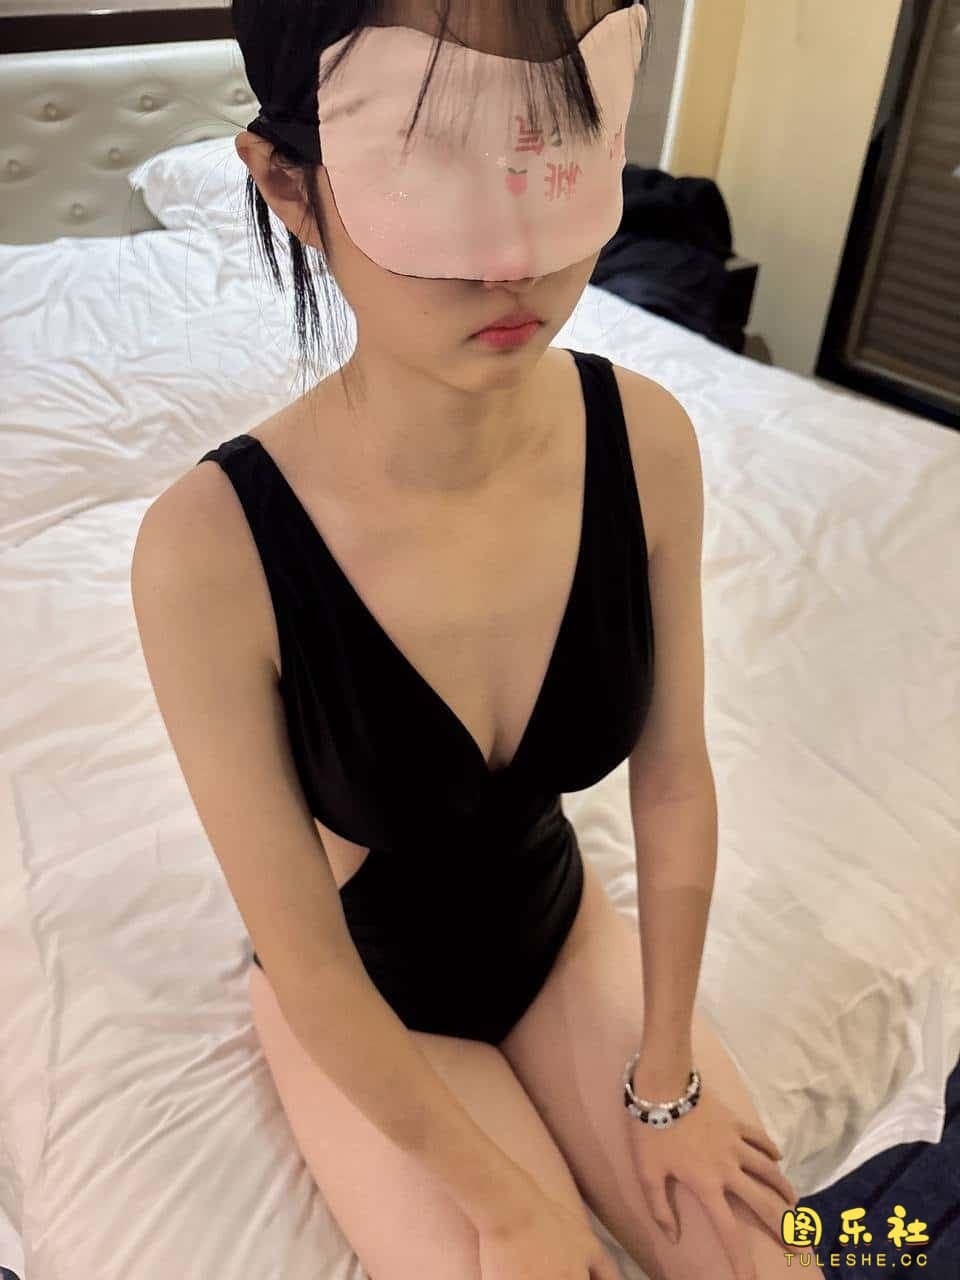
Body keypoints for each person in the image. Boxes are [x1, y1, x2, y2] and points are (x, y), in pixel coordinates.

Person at [131, 3, 825, 1277]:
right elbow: (307, 954)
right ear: (289, 185)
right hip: (364, 1008)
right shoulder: (207, 551)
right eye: (428, 162)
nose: (511, 262)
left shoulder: (647, 442)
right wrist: (505, 1203)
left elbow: (674, 778)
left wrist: (666, 1071)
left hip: (559, 931)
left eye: (554, 148)